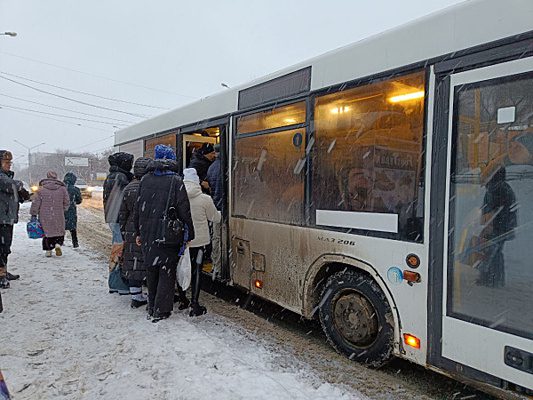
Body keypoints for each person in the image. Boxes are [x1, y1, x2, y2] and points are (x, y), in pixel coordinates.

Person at [134, 145, 194, 322]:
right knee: (166, 273)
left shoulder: (145, 179)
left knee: (152, 270)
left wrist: (139, 232)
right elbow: (184, 210)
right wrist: (190, 233)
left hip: (148, 234)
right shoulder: (176, 181)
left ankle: (152, 306)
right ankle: (161, 310)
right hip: (167, 235)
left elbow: (138, 209)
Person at [183, 168, 221, 316]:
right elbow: (215, 218)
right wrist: (221, 214)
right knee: (196, 269)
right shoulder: (205, 199)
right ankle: (194, 303)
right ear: (197, 181)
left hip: (183, 241)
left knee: (183, 267)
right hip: (199, 242)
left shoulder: (177, 196)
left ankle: (182, 299)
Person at [119, 157, 151, 309]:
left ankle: (135, 296)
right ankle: (150, 295)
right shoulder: (149, 187)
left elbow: (122, 213)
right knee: (147, 262)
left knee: (133, 263)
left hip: (131, 230)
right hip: (145, 229)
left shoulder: (128, 188)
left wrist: (124, 230)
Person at [478, 167, 517, 287]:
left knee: (493, 251)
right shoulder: (498, 187)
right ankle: (493, 278)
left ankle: (492, 279)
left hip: (498, 226)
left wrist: (490, 224)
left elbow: (497, 210)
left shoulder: (498, 188)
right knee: (493, 251)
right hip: (499, 225)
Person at [0, 150, 30, 289]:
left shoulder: (6, 176)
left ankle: (3, 272)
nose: (9, 165)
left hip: (7, 218)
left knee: (6, 248)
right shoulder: (3, 178)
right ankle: (1, 276)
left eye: (10, 162)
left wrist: (23, 195)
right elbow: (10, 185)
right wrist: (19, 186)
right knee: (1, 248)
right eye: (6, 162)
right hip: (1, 219)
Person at [103, 152, 134, 269]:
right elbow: (126, 197)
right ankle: (116, 270)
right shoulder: (120, 177)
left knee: (117, 242)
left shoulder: (113, 175)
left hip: (112, 215)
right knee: (119, 245)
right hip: (118, 216)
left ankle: (115, 268)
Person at [30, 171, 70, 257]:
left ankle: (48, 250)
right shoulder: (62, 189)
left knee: (47, 232)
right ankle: (58, 244)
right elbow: (67, 201)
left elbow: (36, 202)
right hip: (58, 214)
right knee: (59, 230)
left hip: (45, 215)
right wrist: (63, 209)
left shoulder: (41, 189)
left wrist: (34, 213)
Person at [206, 144, 223, 278]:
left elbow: (211, 188)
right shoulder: (225, 166)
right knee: (220, 238)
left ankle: (216, 265)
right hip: (223, 207)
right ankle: (219, 267)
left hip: (215, 207)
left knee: (216, 238)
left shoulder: (211, 168)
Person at [63, 172, 82, 248]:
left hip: (61, 210)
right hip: (71, 210)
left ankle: (61, 241)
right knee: (73, 227)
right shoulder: (75, 189)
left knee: (61, 226)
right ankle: (75, 242)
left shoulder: (61, 188)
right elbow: (79, 200)